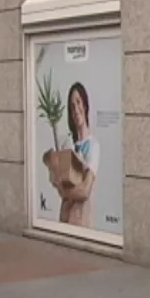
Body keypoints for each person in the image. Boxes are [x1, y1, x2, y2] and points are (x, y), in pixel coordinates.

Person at [51, 82, 99, 227]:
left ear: (85, 105)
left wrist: (66, 193)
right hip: (65, 219)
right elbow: (58, 184)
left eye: (78, 102)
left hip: (82, 220)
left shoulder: (93, 146)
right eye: (72, 106)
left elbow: (85, 191)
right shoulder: (67, 145)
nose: (76, 109)